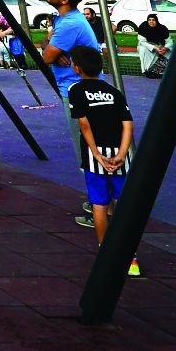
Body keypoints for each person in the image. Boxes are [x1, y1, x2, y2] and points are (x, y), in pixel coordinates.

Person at [68, 44, 140, 277]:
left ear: (76, 68)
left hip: (95, 157)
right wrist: (122, 153)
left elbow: (84, 124)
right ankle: (131, 258)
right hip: (120, 157)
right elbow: (128, 124)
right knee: (123, 206)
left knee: (99, 205)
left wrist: (97, 154)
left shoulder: (75, 90)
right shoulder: (113, 92)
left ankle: (105, 253)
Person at [41, 0, 104, 226]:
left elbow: (46, 57)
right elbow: (48, 47)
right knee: (89, 148)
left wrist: (52, 51)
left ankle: (102, 208)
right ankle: (102, 202)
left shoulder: (69, 25)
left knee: (87, 150)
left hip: (80, 93)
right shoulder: (64, 20)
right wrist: (52, 46)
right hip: (79, 90)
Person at [136, 13, 171, 78]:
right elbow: (142, 42)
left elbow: (169, 41)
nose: (151, 21)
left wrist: (165, 48)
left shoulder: (162, 28)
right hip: (145, 46)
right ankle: (147, 71)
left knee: (169, 53)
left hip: (159, 46)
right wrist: (154, 48)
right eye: (149, 20)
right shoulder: (143, 27)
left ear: (156, 21)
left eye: (153, 20)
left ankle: (161, 72)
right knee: (143, 50)